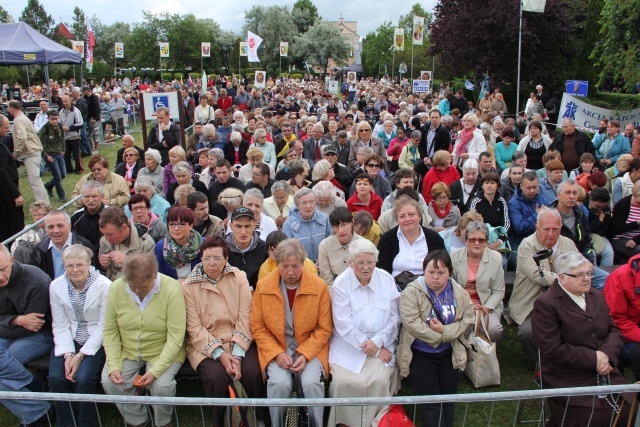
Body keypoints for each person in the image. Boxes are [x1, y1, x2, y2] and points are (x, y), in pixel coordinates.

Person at [533, 251, 630, 426]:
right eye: (579, 275)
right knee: (595, 418)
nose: (587, 279)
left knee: (630, 409)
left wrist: (606, 356)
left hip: (605, 370)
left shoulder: (596, 295)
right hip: (567, 375)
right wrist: (594, 358)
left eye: (589, 273)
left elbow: (614, 330)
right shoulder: (546, 304)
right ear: (562, 278)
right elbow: (553, 350)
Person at [250, 238, 332, 427]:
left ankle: (316, 424)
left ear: (304, 264)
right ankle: (276, 424)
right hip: (277, 347)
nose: (290, 272)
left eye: (295, 266)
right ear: (276, 264)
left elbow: (324, 327)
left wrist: (305, 354)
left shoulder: (319, 287)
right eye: (284, 266)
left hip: (310, 348)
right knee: (279, 383)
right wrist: (276, 354)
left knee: (312, 383)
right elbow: (258, 327)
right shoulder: (263, 286)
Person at [182, 237, 263, 426]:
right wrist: (219, 354)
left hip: (239, 339)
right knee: (216, 376)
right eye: (207, 258)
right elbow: (194, 328)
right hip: (205, 345)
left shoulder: (239, 277)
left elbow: (246, 316)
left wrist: (237, 355)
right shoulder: (189, 286)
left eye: (217, 258)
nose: (212, 263)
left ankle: (257, 418)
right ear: (200, 258)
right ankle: (220, 422)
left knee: (252, 372)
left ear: (226, 258)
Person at [101, 253, 186, 427]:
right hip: (129, 350)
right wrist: (114, 365)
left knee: (161, 386)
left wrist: (156, 371)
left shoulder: (171, 288)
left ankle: (163, 422)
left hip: (163, 350)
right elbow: (110, 330)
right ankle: (138, 420)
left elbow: (176, 336)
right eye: (132, 286)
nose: (138, 290)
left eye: (143, 286)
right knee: (110, 381)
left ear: (155, 276)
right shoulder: (116, 288)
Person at [397, 250, 474, 427]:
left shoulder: (459, 293)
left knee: (448, 400)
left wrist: (445, 331)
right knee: (431, 403)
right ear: (424, 272)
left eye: (441, 273)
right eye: (431, 272)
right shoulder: (411, 292)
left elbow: (468, 318)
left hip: (450, 353)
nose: (435, 277)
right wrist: (441, 336)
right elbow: (412, 323)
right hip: (420, 354)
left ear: (449, 272)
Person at [329, 239, 401, 426]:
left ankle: (378, 422)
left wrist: (378, 342)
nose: (366, 267)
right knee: (343, 383)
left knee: (379, 380)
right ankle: (343, 423)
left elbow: (395, 316)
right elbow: (342, 324)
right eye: (360, 263)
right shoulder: (341, 283)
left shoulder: (386, 279)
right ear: (351, 263)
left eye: (370, 262)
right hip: (349, 346)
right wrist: (373, 349)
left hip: (382, 342)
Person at [49, 244, 111, 427]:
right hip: (70, 336)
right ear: (64, 266)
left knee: (84, 379)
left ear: (88, 264)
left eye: (80, 264)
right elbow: (60, 323)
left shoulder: (105, 286)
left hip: (96, 339)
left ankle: (87, 422)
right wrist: (68, 354)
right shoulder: (56, 286)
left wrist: (79, 356)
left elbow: (104, 325)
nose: (75, 269)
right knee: (57, 377)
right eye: (69, 266)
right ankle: (66, 423)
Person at [509, 207, 578, 370]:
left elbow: (577, 269)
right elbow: (537, 276)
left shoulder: (568, 244)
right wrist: (567, 279)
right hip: (532, 302)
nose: (551, 234)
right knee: (528, 332)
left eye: (555, 229)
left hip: (564, 301)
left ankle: (566, 362)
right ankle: (539, 365)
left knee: (576, 327)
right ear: (537, 228)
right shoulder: (526, 245)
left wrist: (571, 278)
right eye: (546, 229)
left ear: (561, 228)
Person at [0, 245, 53, 427]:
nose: (0, 276)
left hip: (41, 335)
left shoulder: (36, 280)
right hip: (10, 331)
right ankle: (38, 407)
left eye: (2, 269)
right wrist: (17, 320)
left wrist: (14, 322)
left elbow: (32, 327)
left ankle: (36, 411)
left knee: (4, 365)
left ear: (12, 260)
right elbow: (22, 324)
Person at [450, 222, 505, 342]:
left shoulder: (496, 258)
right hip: (460, 304)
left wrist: (485, 308)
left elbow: (499, 291)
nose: (476, 243)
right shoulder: (454, 256)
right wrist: (466, 306)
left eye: (481, 240)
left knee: (493, 330)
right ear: (466, 241)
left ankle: (486, 355)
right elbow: (450, 286)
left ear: (486, 242)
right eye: (472, 239)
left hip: (486, 304)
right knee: (455, 327)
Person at [377, 195, 446, 279]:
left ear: (419, 216)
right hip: (397, 288)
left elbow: (444, 266)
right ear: (397, 219)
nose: (407, 219)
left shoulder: (434, 238)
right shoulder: (387, 239)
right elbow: (381, 271)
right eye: (402, 216)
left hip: (428, 287)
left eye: (411, 215)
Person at [32, 210, 95, 280]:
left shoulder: (85, 246)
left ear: (69, 226)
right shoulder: (39, 250)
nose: (55, 231)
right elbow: (35, 278)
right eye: (50, 227)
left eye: (60, 226)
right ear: (46, 229)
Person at [98, 206, 156, 281]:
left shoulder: (146, 243)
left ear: (124, 227)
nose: (106, 238)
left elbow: (150, 275)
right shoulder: (104, 241)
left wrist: (128, 261)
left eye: (110, 234)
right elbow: (101, 275)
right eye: (103, 234)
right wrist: (103, 267)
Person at [7, 100, 49, 203]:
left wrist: (16, 152)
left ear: (12, 108)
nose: (8, 111)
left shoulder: (19, 120)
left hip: (31, 153)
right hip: (31, 152)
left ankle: (43, 203)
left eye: (8, 108)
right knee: (34, 180)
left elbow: (22, 137)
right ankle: (42, 202)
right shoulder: (23, 118)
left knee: (35, 181)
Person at [317, 207, 364, 290]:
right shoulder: (324, 246)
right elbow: (327, 281)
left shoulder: (363, 244)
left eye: (344, 225)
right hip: (335, 290)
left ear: (352, 222)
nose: (341, 230)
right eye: (336, 226)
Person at [282, 188, 332, 263]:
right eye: (304, 203)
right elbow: (288, 250)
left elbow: (331, 241)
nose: (308, 206)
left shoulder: (324, 218)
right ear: (297, 206)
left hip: (324, 263)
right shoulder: (288, 224)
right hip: (302, 266)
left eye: (311, 202)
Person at [155, 206, 205, 281]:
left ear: (190, 225)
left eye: (181, 224)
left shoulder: (204, 245)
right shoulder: (160, 247)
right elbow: (159, 277)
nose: (176, 229)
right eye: (172, 224)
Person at [224, 207, 267, 289]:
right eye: (238, 226)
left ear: (254, 226)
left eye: (247, 226)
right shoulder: (221, 249)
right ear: (231, 226)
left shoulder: (264, 249)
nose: (243, 232)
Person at [508, 171, 549, 250]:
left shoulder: (542, 199)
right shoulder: (513, 204)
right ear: (521, 186)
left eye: (535, 187)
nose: (532, 191)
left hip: (541, 241)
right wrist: (537, 215)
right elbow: (519, 227)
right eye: (529, 188)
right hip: (519, 243)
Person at [0, 115, 25, 242]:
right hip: (6, 194)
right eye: (5, 127)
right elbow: (1, 173)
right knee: (15, 226)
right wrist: (15, 194)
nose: (7, 130)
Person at [39, 110, 68, 202]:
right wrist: (46, 156)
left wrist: (63, 149)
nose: (54, 121)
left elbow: (62, 139)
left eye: (56, 118)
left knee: (63, 174)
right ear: (48, 118)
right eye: (52, 119)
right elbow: (41, 145)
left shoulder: (59, 126)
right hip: (50, 154)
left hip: (59, 153)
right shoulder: (44, 129)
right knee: (57, 176)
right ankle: (61, 195)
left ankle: (49, 185)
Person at [70, 181, 108, 248]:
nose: (90, 200)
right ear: (82, 198)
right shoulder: (76, 217)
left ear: (102, 197)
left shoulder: (112, 215)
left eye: (94, 196)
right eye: (87, 196)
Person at [609, 180, 640, 261]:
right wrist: (637, 223)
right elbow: (616, 228)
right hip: (621, 238)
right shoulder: (623, 204)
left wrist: (636, 240)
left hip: (637, 239)